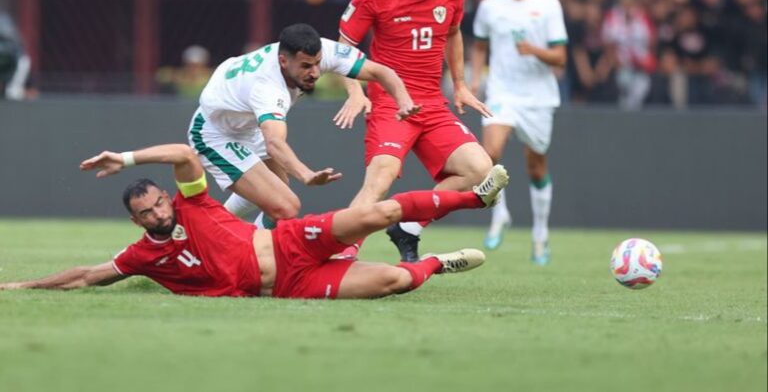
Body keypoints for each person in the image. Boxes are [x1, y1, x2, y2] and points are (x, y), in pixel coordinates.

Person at [0, 143, 510, 299]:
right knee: (396, 279)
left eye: (159, 202)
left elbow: (182, 152)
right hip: (292, 283)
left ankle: (476, 201)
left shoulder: (193, 204)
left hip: (291, 241)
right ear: (137, 222)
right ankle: (437, 263)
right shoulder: (144, 256)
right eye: (147, 212)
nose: (159, 211)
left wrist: (128, 159)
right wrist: (21, 284)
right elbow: (88, 275)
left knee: (379, 212)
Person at [336, 0, 494, 262]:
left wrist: (461, 85)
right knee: (380, 178)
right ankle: (339, 254)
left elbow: (453, 34)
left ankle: (408, 225)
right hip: (391, 105)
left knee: (480, 170)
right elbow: (342, 48)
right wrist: (355, 92)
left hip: (433, 105)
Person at [189, 23, 419, 229]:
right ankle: (231, 243)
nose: (316, 73)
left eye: (318, 63)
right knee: (284, 205)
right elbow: (274, 143)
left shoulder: (321, 51)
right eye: (306, 66)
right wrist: (306, 175)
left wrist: (404, 101)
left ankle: (219, 233)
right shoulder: (267, 87)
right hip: (215, 133)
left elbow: (381, 71)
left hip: (247, 123)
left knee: (277, 193)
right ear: (283, 61)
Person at [469, 0, 568, 265]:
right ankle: (501, 214)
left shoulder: (548, 5)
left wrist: (534, 51)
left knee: (536, 165)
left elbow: (560, 57)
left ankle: (540, 234)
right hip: (502, 91)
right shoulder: (489, 7)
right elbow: (480, 46)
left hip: (538, 97)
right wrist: (473, 80)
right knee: (489, 155)